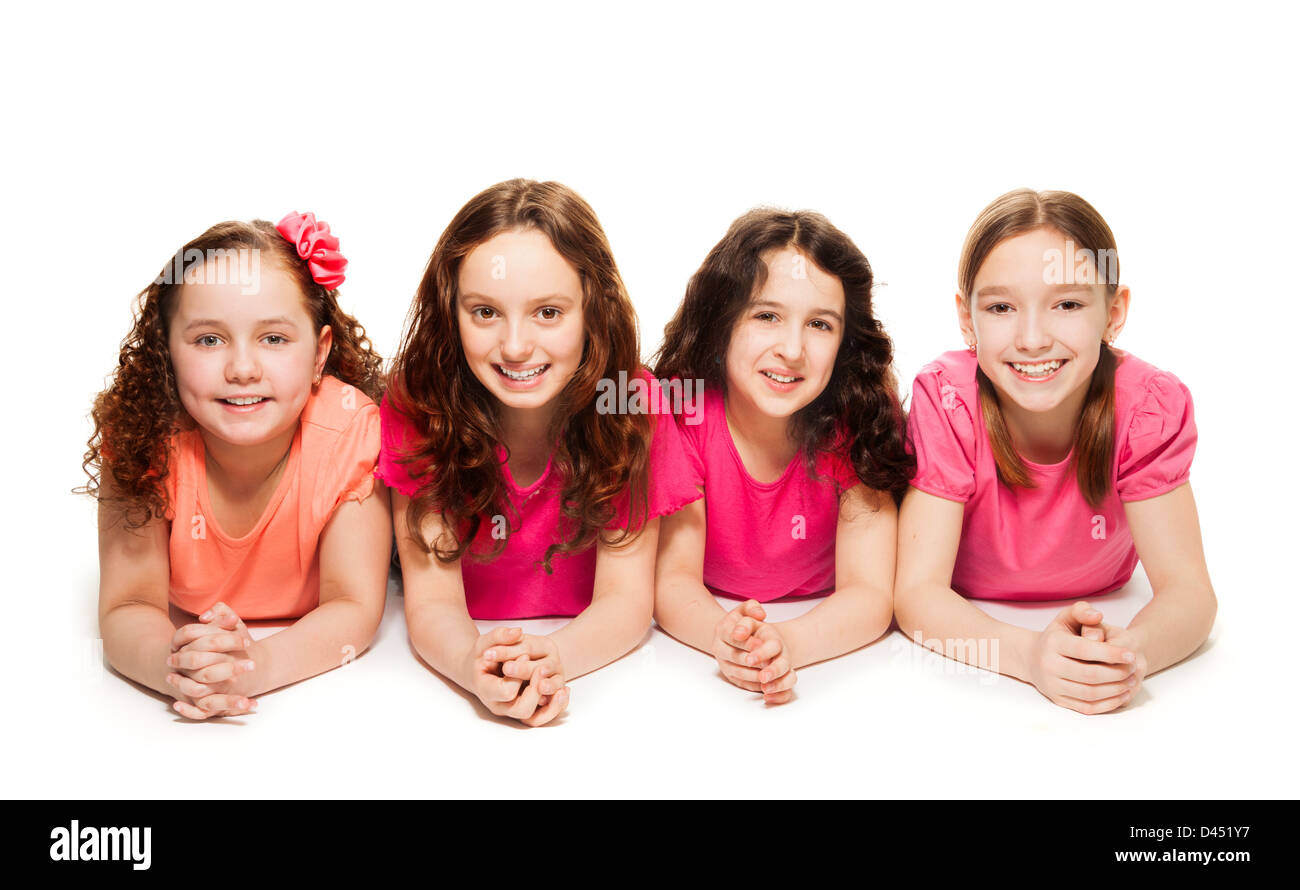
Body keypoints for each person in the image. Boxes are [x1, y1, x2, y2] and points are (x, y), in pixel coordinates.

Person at [380, 179, 701, 726]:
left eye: (548, 313)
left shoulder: (632, 405)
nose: (514, 346)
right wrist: (469, 663)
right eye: (484, 313)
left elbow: (626, 601)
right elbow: (432, 599)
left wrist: (553, 660)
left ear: (592, 310)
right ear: (450, 311)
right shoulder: (420, 405)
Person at [894, 189, 1217, 714]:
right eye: (1001, 307)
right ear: (966, 318)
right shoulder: (949, 400)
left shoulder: (1147, 408)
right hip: (973, 606)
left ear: (1114, 314)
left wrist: (1127, 653)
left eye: (1067, 305)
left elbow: (1190, 593)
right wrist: (1029, 656)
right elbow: (916, 595)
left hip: (1107, 592)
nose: (1032, 339)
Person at [84, 212, 392, 719]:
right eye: (209, 340)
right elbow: (128, 606)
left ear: (320, 354)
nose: (242, 369)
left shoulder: (350, 431)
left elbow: (353, 606)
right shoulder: (142, 440)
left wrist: (253, 666)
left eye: (274, 339)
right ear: (169, 354)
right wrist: (177, 666)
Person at [652, 209, 912, 703]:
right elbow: (672, 581)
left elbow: (870, 595)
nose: (791, 349)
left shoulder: (856, 425)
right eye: (766, 316)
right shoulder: (682, 417)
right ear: (722, 321)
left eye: (819, 324)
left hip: (823, 627)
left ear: (845, 342)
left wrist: (785, 642)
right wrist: (724, 639)